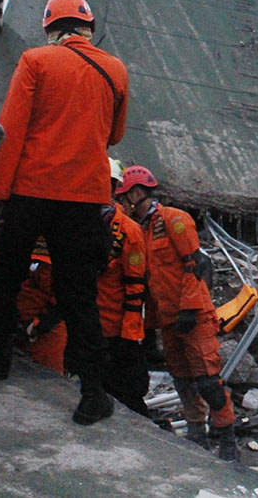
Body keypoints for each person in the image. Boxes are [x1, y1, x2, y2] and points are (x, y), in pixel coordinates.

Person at [0, 0, 128, 426]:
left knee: (4, 276)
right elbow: (115, 135)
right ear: (88, 25)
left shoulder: (35, 61)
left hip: (31, 190)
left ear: (51, 27)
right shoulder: (116, 70)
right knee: (78, 295)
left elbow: (11, 129)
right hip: (85, 197)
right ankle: (92, 394)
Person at [116, 165, 237, 460]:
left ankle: (227, 440)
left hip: (192, 318)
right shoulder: (137, 231)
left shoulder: (174, 220)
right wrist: (150, 329)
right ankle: (197, 433)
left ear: (135, 193)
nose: (121, 203)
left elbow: (194, 265)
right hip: (168, 320)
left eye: (123, 196)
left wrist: (190, 308)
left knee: (208, 382)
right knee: (182, 380)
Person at [0, 226, 67, 374]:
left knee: (46, 384)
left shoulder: (63, 237)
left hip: (43, 333)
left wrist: (37, 326)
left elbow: (71, 293)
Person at [97, 159, 150, 416]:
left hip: (116, 329)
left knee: (126, 389)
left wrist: (130, 335)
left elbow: (136, 284)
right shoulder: (78, 224)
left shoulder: (128, 230)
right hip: (86, 322)